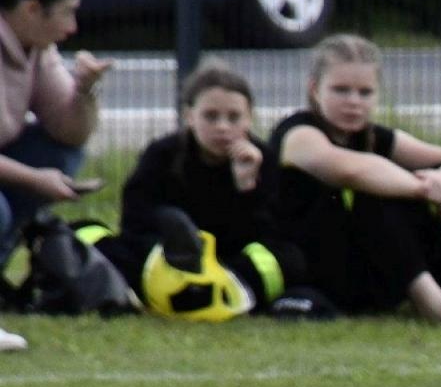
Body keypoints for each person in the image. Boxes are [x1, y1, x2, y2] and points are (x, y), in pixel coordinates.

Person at [265, 34, 441, 323]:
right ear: (314, 90)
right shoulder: (298, 133)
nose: (353, 102)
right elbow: (353, 170)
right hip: (314, 270)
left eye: (365, 92)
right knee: (375, 191)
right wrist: (430, 192)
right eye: (341, 90)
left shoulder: (373, 136)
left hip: (367, 269)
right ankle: (438, 309)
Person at [89, 61, 307, 320]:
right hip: (166, 260)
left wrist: (246, 188)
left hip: (230, 262)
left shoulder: (263, 159)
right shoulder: (163, 154)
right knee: (88, 234)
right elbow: (135, 220)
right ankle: (152, 293)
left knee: (288, 258)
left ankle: (229, 294)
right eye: (211, 116)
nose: (223, 127)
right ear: (189, 116)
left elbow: (270, 232)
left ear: (249, 118)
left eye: (234, 117)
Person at [0, 0, 114, 350]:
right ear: (32, 8)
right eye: (67, 13)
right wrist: (34, 180)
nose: (73, 27)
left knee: (62, 157)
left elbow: (69, 134)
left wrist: (85, 88)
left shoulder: (35, 49)